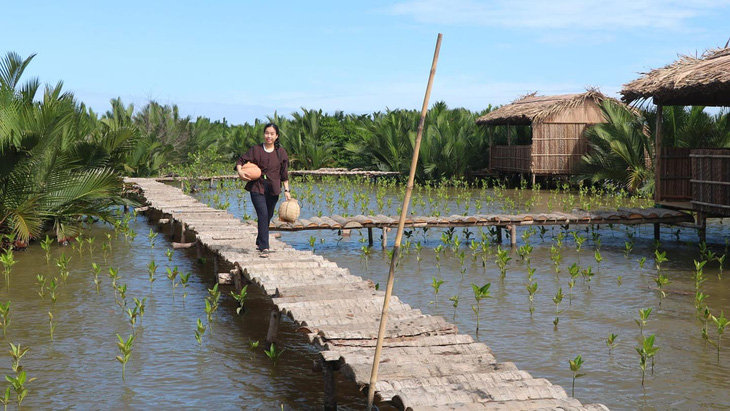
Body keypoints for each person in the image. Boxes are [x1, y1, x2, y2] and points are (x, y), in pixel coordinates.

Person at [235, 123, 291, 258]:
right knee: (263, 214)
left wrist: (287, 190)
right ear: (263, 134)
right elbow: (240, 160)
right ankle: (264, 247)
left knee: (269, 215)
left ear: (276, 136)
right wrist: (240, 172)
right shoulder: (256, 150)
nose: (269, 136)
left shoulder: (280, 152)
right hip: (257, 186)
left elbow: (284, 173)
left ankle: (260, 240)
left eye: (272, 134)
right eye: (267, 133)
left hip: (273, 187)